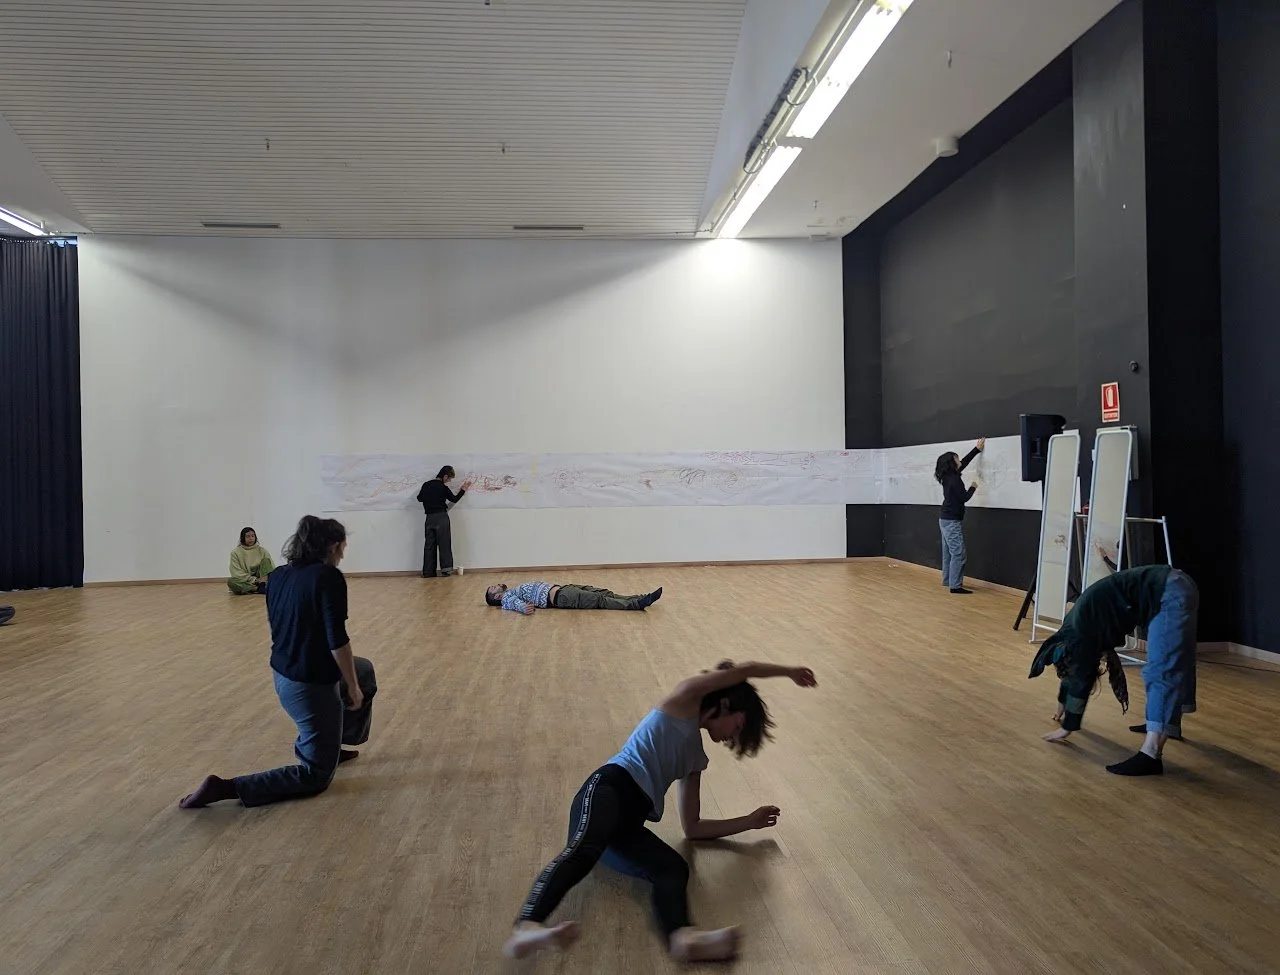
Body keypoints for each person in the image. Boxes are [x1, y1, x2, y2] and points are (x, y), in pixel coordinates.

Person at [504, 659, 818, 963]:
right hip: (607, 790)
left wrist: (749, 821)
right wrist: (788, 672)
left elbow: (693, 828)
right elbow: (745, 669)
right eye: (738, 726)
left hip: (627, 824)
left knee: (673, 869)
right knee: (584, 850)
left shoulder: (696, 758)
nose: (732, 738)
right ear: (725, 704)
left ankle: (683, 938)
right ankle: (526, 927)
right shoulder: (684, 699)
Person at [180, 515, 366, 808]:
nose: (343, 553)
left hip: (283, 675)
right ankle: (227, 787)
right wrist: (352, 687)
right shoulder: (328, 577)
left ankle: (331, 743)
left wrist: (355, 678)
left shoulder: (278, 575)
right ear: (332, 546)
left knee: (364, 670)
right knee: (315, 776)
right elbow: (337, 641)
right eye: (342, 546)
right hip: (309, 684)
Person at [1029, 548, 1198, 776]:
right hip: (1172, 585)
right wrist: (1063, 702)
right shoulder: (1070, 631)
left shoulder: (1078, 637)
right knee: (1175, 661)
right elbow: (1074, 672)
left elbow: (1080, 675)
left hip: (1168, 593)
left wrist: (1068, 727)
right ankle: (1167, 725)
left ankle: (1151, 753)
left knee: (1161, 670)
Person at [934, 437, 985, 594]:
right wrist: (973, 486)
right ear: (952, 463)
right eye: (957, 458)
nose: (959, 460)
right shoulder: (954, 480)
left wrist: (976, 449)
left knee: (948, 553)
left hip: (944, 519)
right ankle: (955, 586)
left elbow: (965, 462)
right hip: (951, 521)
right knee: (958, 553)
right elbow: (964, 498)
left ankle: (948, 580)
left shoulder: (947, 476)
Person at [417, 465, 473, 578]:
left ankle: (428, 572)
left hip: (429, 519)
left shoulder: (426, 485)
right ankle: (446, 570)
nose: (449, 481)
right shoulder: (443, 487)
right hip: (441, 518)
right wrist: (463, 490)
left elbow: (419, 498)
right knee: (444, 544)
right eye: (449, 478)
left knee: (429, 545)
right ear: (445, 476)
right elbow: (454, 499)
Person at [485, 582, 662, 614]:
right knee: (600, 600)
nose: (495, 585)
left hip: (563, 589)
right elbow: (513, 603)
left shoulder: (511, 591)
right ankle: (636, 604)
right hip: (562, 597)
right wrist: (524, 608)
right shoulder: (507, 598)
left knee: (604, 593)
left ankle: (640, 598)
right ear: (497, 596)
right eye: (492, 588)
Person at [227, 526, 275, 595]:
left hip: (262, 580)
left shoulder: (262, 551)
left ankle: (261, 586)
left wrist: (263, 579)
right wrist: (254, 580)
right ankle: (257, 588)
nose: (251, 538)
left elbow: (271, 568)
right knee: (231, 582)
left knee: (266, 561)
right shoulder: (235, 553)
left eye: (253, 536)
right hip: (247, 581)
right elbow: (236, 573)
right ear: (243, 538)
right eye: (248, 536)